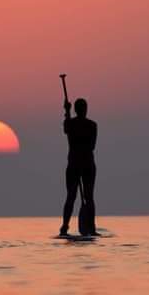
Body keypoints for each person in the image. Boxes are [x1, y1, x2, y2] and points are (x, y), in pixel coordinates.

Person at [60, 97, 98, 236]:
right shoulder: (73, 124)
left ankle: (91, 227)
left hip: (85, 165)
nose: (83, 111)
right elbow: (66, 129)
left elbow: (91, 146)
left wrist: (68, 113)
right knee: (72, 196)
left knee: (88, 196)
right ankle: (65, 226)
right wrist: (67, 111)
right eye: (81, 108)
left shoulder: (91, 125)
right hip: (76, 165)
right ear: (78, 110)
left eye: (84, 108)